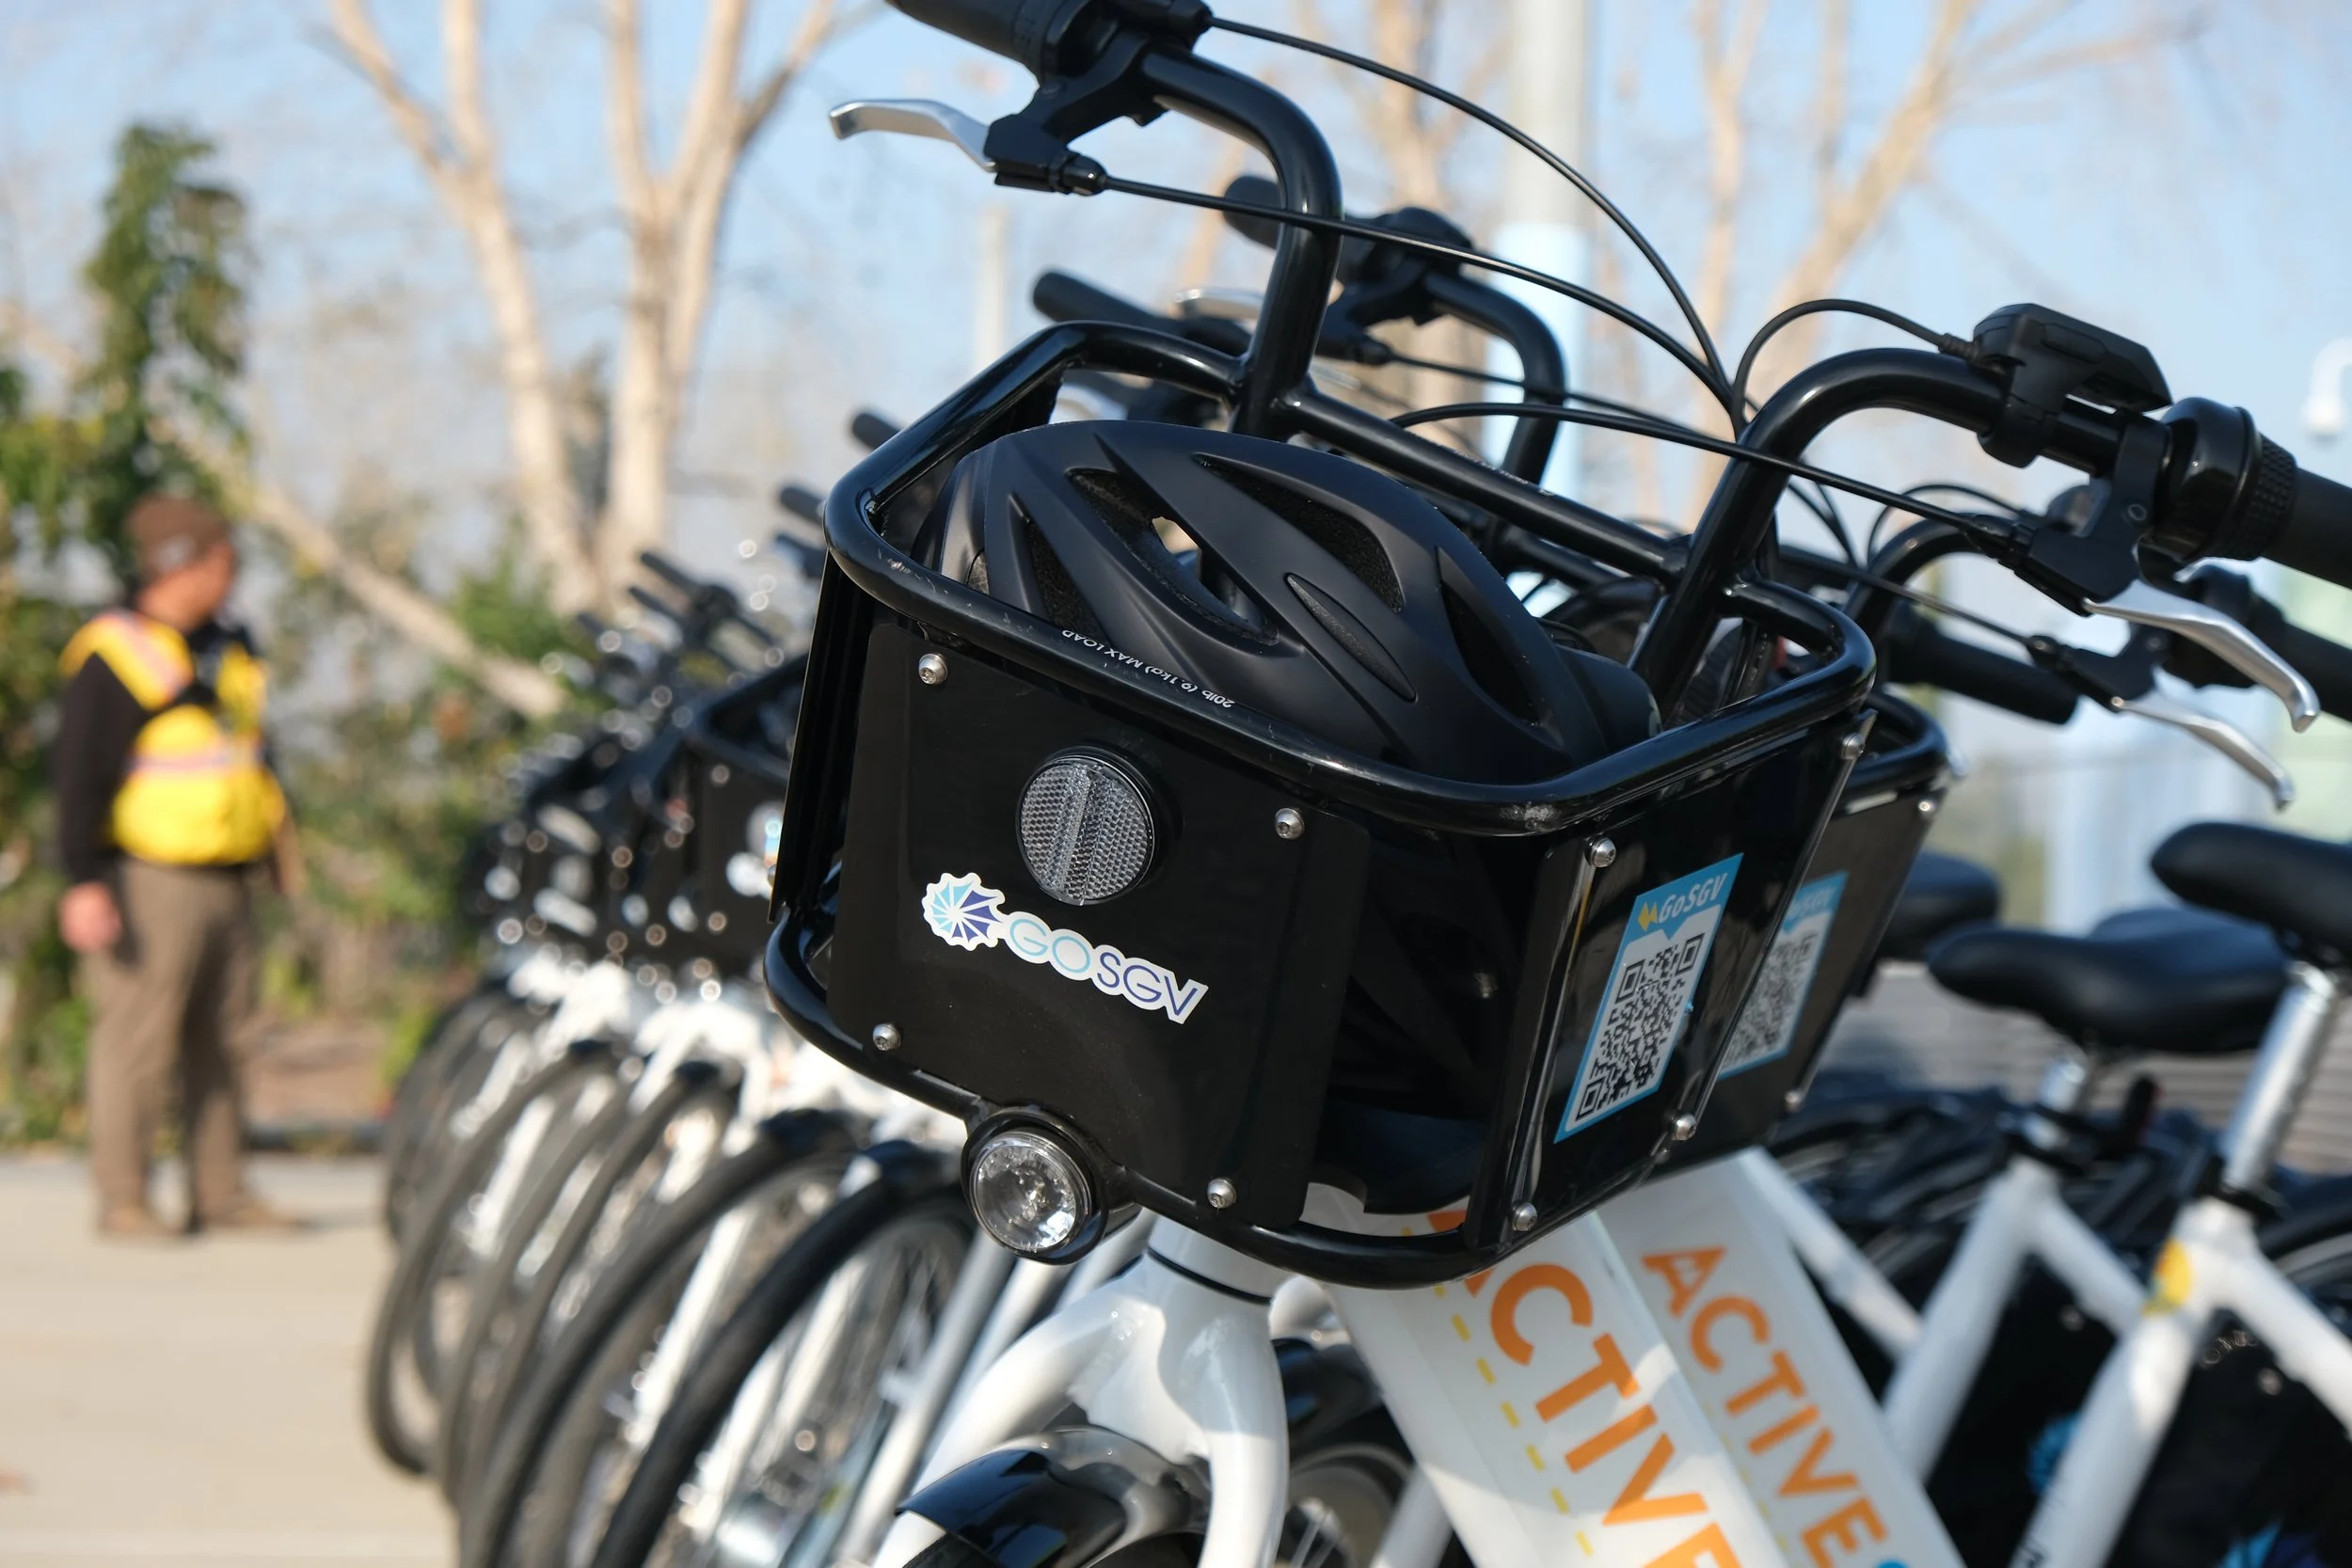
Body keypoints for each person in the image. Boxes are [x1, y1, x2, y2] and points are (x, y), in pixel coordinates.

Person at [54, 495, 301, 1239]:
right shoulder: (117, 651)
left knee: (224, 1042)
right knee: (137, 1041)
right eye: (221, 561)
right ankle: (124, 1198)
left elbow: (252, 756)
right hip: (149, 878)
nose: (232, 577)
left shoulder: (230, 643)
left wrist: (278, 848)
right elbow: (76, 776)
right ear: (180, 564)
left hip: (230, 875)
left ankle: (220, 1192)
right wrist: (84, 881)